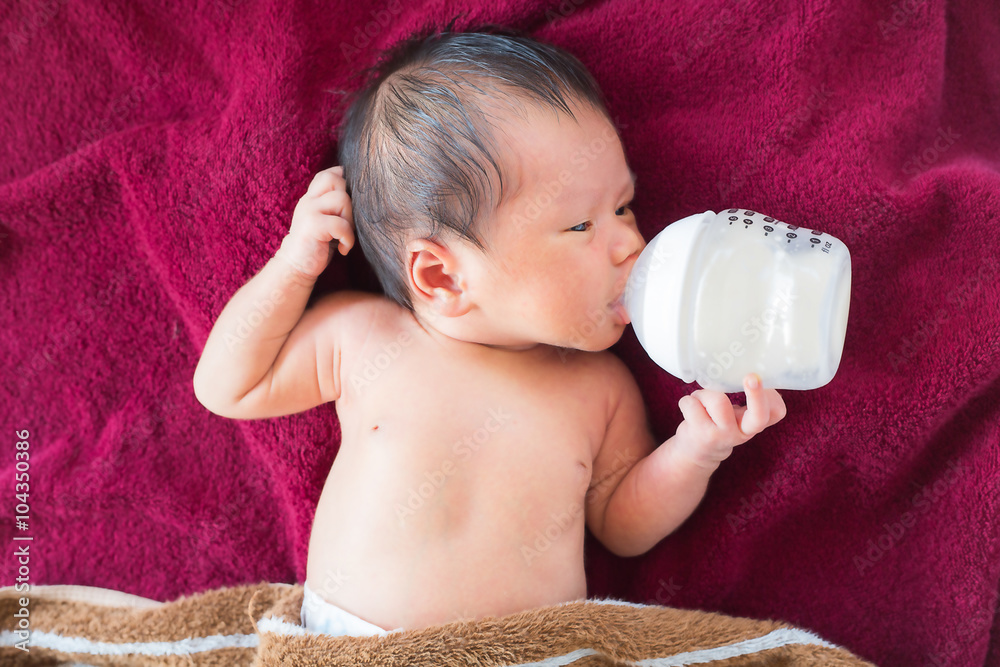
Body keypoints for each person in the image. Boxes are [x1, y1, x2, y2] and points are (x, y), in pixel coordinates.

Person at [192, 25, 786, 636]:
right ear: (442, 275)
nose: (631, 242)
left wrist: (696, 451)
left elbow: (621, 524)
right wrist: (295, 264)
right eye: (581, 225)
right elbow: (228, 385)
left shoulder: (598, 387)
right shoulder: (366, 338)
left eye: (623, 206)